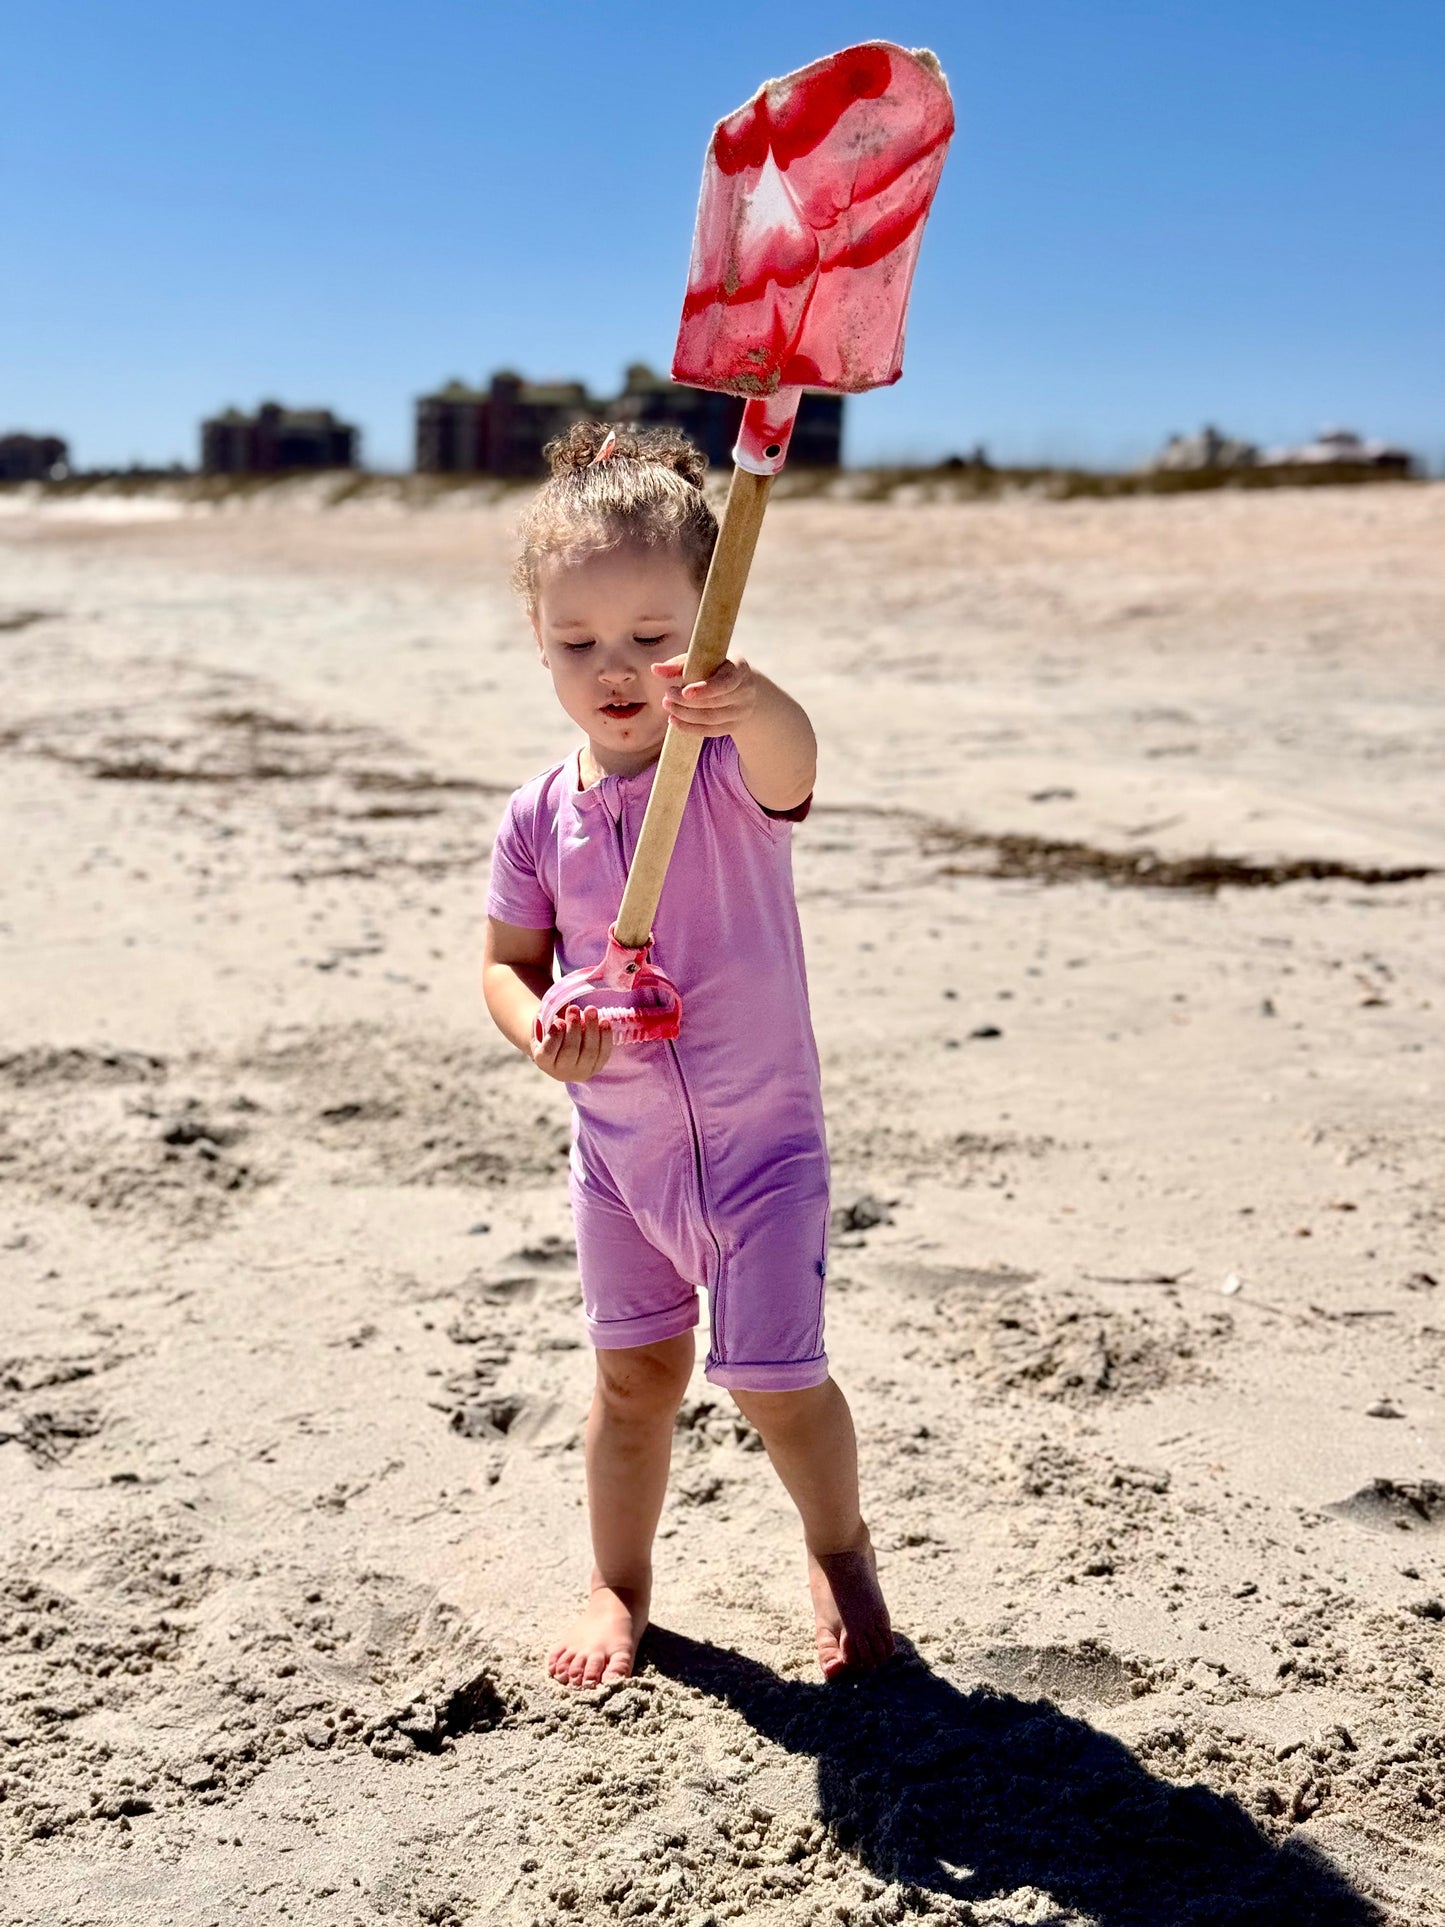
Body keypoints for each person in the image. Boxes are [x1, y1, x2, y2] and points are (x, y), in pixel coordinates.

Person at [482, 421, 892, 1688]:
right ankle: (619, 1583)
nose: (617, 670)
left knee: (776, 1382)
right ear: (539, 640)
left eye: (653, 640)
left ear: (701, 632)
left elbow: (797, 767)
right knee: (632, 1385)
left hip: (763, 1149)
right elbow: (506, 963)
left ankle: (839, 1549)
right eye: (578, 645)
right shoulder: (537, 815)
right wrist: (541, 1029)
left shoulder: (719, 772)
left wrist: (751, 703)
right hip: (619, 1161)